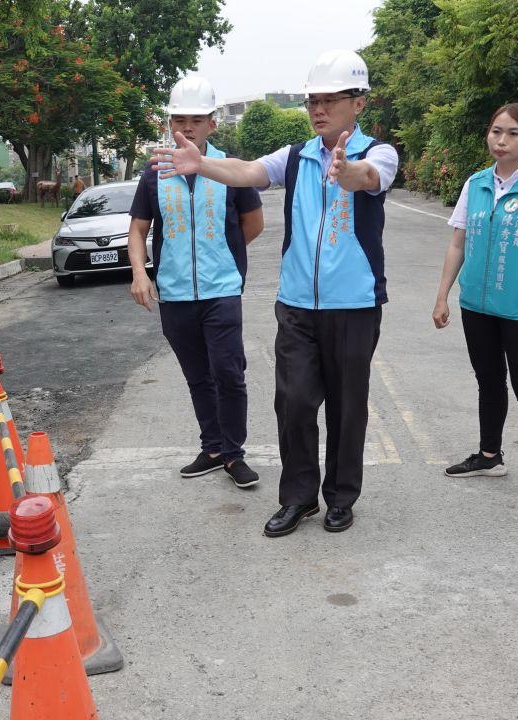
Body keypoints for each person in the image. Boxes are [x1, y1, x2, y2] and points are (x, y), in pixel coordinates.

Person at [151, 50, 398, 536]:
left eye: (330, 100)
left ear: (359, 104)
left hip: (354, 306)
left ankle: (341, 498)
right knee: (295, 402)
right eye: (313, 101)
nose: (319, 109)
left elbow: (368, 178)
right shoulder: (296, 157)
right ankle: (300, 497)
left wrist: (349, 173)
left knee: (348, 407)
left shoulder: (378, 152)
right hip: (297, 307)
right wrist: (200, 165)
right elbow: (246, 173)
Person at [128, 75, 264, 489]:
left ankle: (234, 454)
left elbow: (252, 225)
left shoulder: (228, 169)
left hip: (221, 289)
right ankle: (213, 448)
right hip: (174, 292)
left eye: (196, 119)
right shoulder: (155, 172)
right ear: (170, 124)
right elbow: (138, 228)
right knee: (197, 374)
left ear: (212, 124)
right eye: (178, 119)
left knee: (228, 371)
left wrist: (219, 254)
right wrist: (139, 272)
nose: (185, 127)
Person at [432, 103, 518, 506]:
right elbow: (457, 242)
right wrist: (443, 295)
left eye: (512, 133)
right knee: (489, 382)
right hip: (476, 304)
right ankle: (490, 456)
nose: (501, 140)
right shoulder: (475, 183)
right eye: (496, 131)